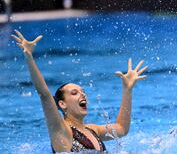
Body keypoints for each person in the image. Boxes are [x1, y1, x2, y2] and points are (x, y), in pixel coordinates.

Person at [11, 30, 148, 152]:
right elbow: (45, 95)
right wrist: (29, 57)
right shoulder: (61, 131)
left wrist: (127, 89)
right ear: (62, 104)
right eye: (74, 93)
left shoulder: (93, 130)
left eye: (82, 91)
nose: (82, 94)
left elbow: (122, 128)